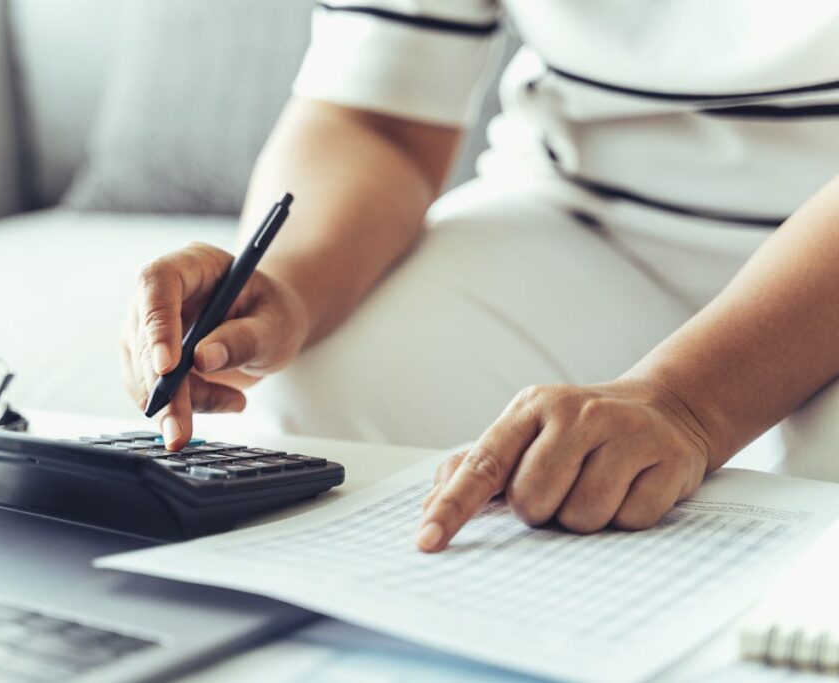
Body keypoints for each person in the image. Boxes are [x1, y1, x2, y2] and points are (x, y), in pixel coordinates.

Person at [120, 1, 839, 552]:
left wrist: (689, 403)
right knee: (325, 390)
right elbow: (377, 120)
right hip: (580, 216)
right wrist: (288, 285)